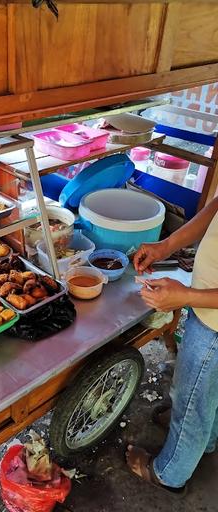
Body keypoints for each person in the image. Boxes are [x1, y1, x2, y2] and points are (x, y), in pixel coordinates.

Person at [126, 196, 218, 494]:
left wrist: (188, 297)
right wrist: (165, 246)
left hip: (214, 325)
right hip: (206, 304)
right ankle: (207, 438)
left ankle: (169, 473)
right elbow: (216, 207)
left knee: (191, 402)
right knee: (206, 394)